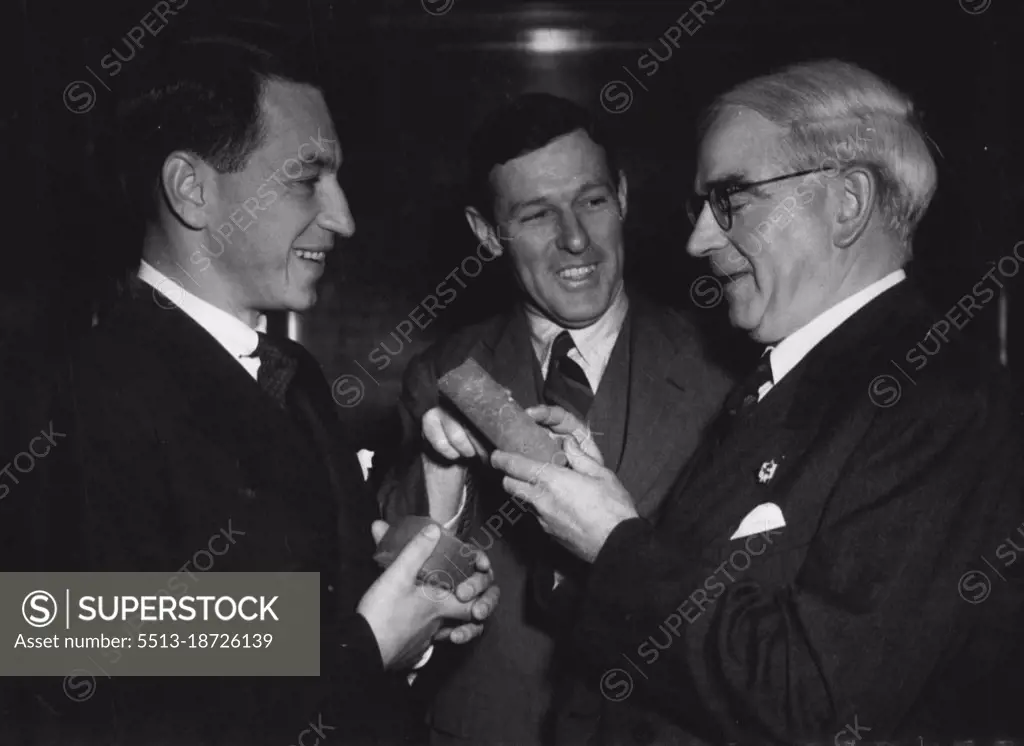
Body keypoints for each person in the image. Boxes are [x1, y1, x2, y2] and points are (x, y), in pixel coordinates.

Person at [482, 60, 1024, 743]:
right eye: (701, 205)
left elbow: (823, 701)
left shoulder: (940, 399)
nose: (699, 239)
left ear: (847, 203)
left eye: (732, 199)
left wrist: (616, 541)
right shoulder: (785, 381)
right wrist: (595, 509)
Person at [22, 35, 499, 746]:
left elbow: (258, 615)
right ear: (191, 189)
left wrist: (403, 568)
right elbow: (90, 680)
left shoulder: (293, 373)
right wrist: (369, 643)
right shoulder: (76, 394)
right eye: (309, 179)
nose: (343, 218)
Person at [375, 93, 733, 745]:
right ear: (487, 233)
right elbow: (410, 592)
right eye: (537, 214)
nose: (575, 238)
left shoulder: (724, 370)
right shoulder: (441, 375)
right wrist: (442, 493)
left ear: (622, 196)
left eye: (592, 201)